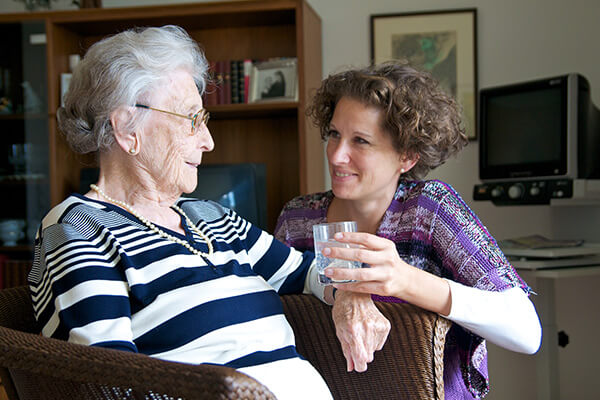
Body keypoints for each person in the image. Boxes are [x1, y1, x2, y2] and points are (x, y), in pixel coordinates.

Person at [28, 25, 333, 400]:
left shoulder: (211, 217)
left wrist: (351, 298)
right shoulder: (78, 227)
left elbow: (310, 273)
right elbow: (108, 381)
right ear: (127, 129)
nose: (208, 141)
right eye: (191, 119)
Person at [274, 62, 542, 399]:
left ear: (407, 157)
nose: (338, 155)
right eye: (334, 134)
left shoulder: (430, 209)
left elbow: (526, 331)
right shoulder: (297, 218)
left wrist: (404, 280)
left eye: (361, 141)